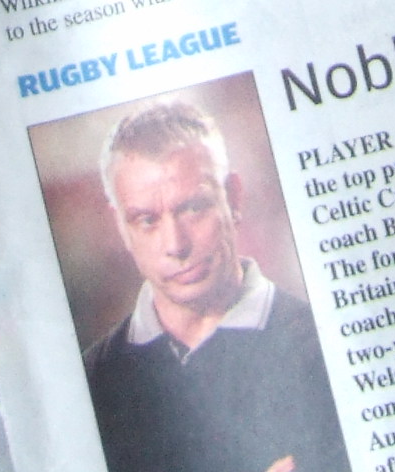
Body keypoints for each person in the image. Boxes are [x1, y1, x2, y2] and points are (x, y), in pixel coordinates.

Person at [80, 98, 351, 472]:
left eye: (193, 208)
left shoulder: (328, 349)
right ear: (121, 227)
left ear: (234, 197)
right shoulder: (90, 384)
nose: (176, 245)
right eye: (147, 220)